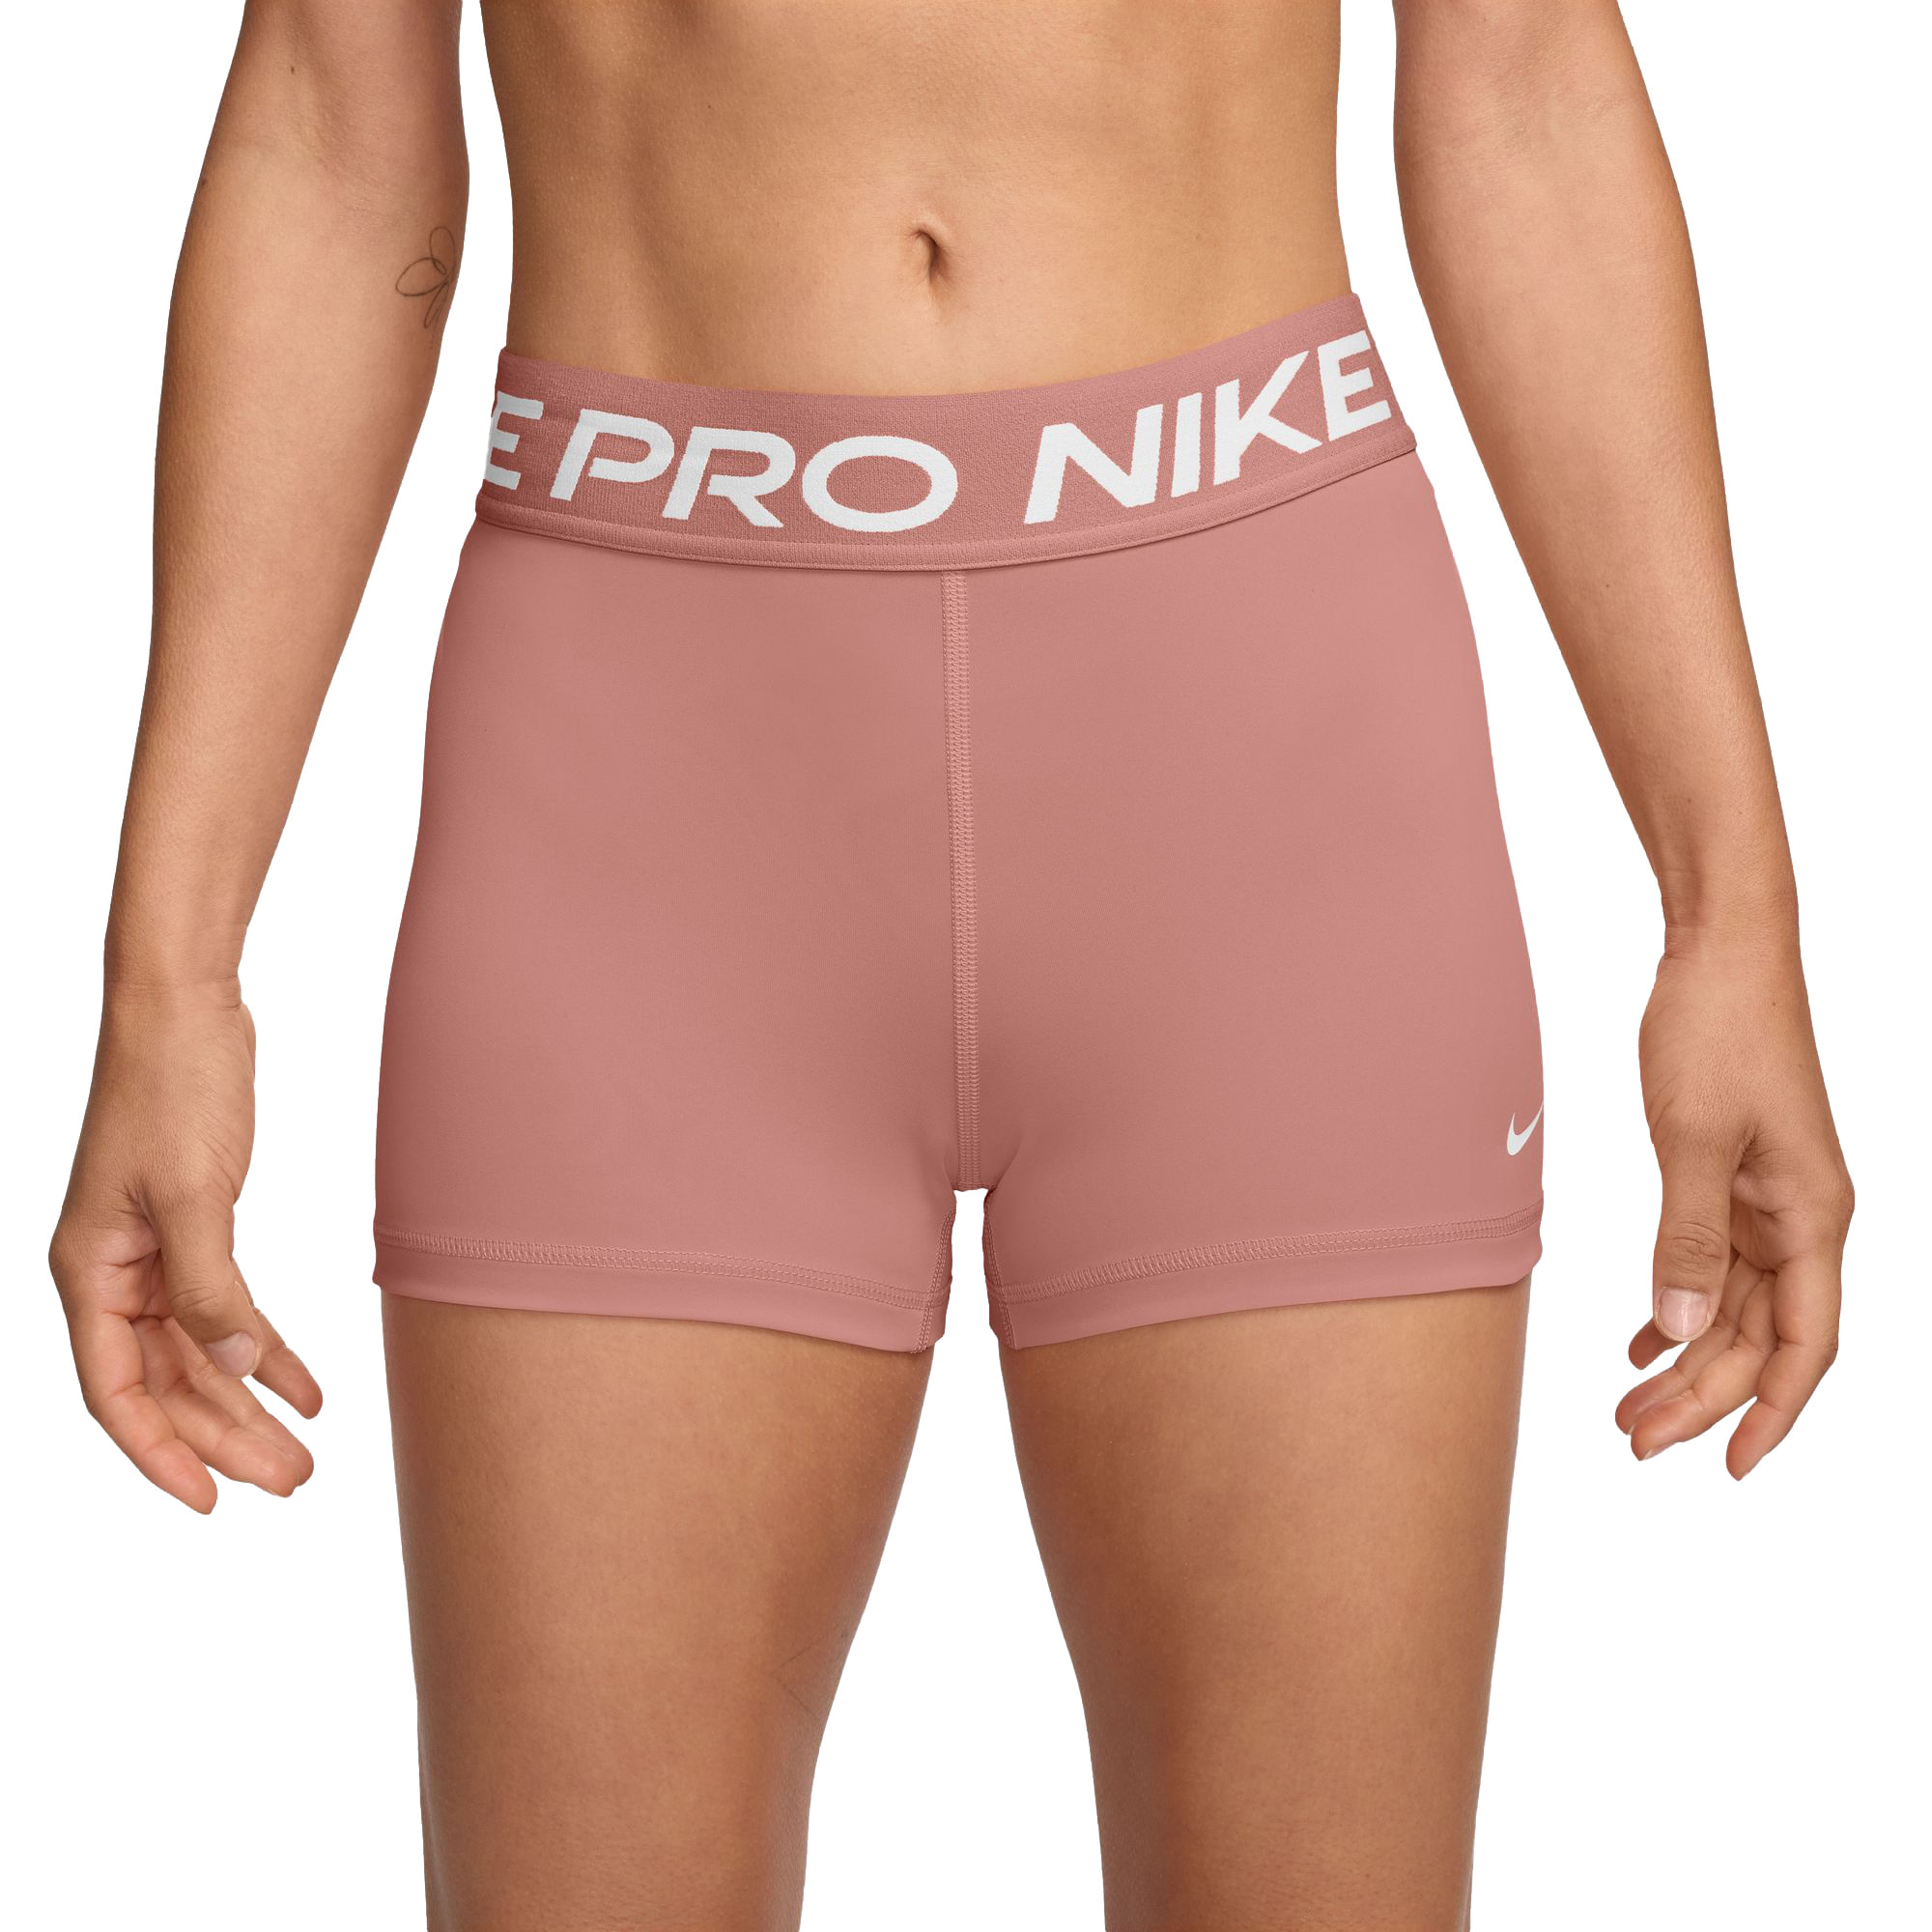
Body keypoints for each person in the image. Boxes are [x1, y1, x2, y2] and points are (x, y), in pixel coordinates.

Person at [47, 2, 1853, 1926]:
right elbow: (334, 127)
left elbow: (1527, 90)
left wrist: (1727, 910)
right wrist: (172, 975)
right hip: (644, 795)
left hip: (1259, 758)